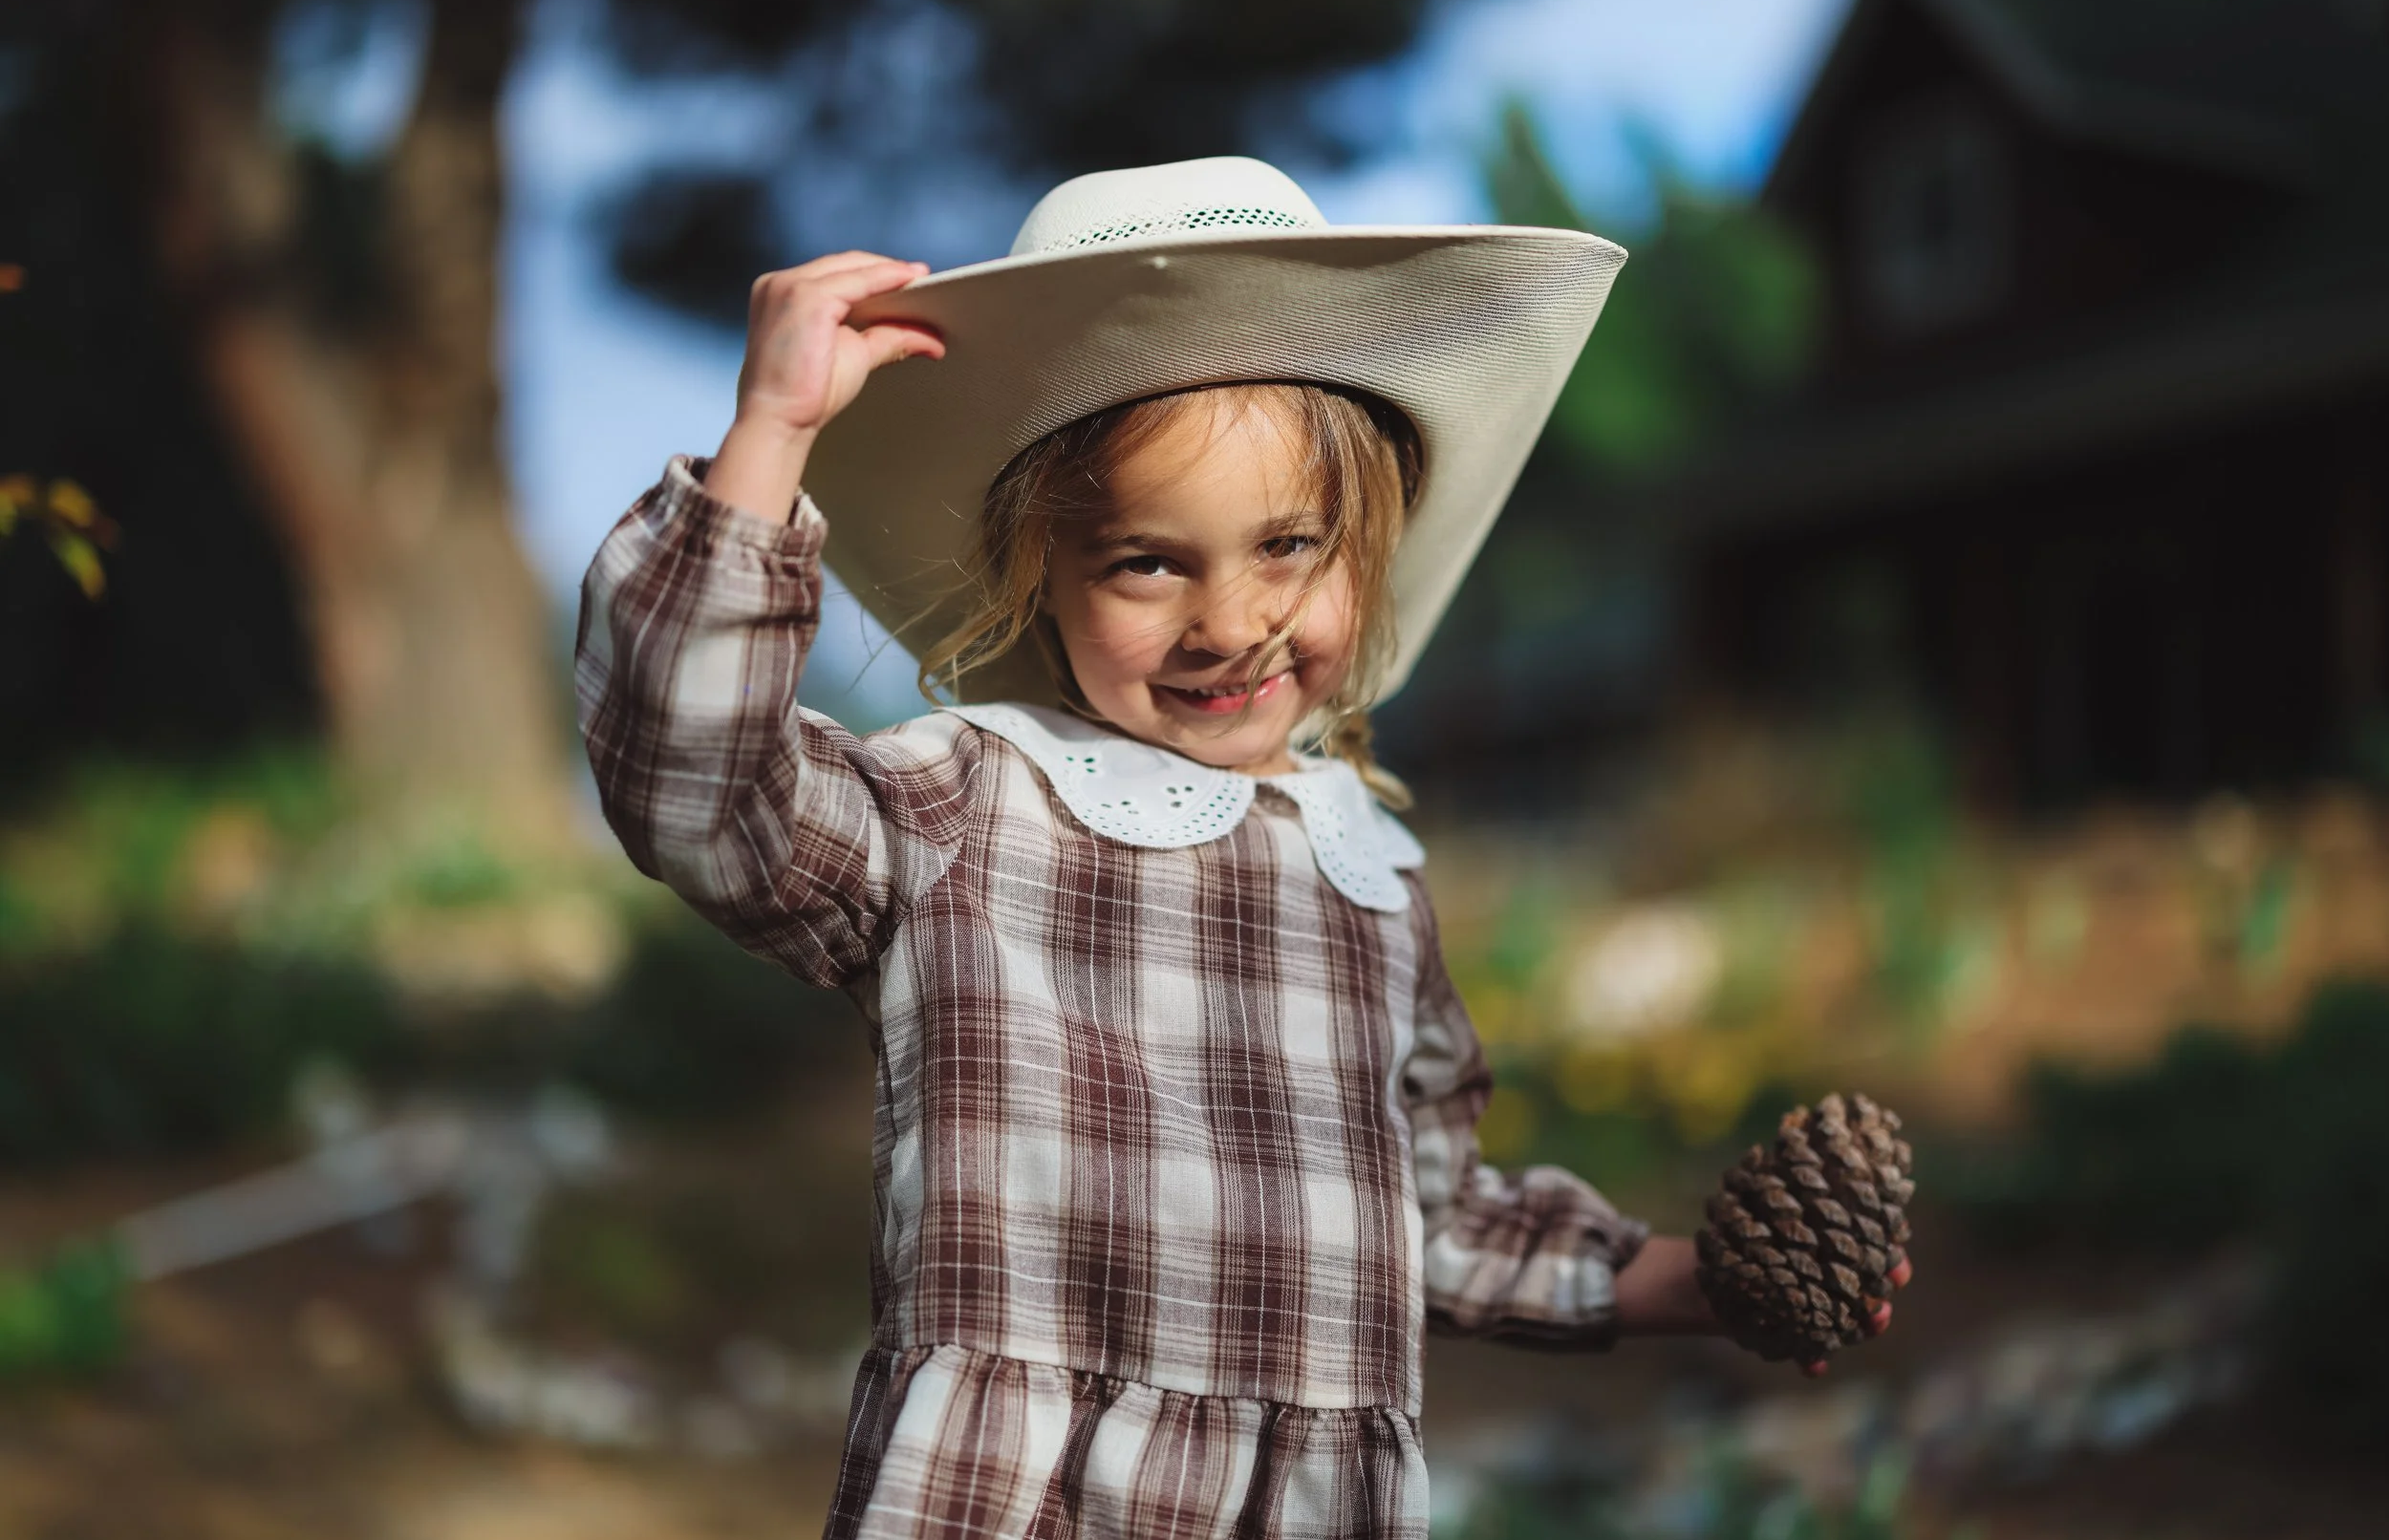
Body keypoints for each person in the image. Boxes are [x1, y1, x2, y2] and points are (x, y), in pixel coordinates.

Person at [576, 158, 1903, 1540]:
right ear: (1043, 571)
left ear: (1369, 542)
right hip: (1019, 1495)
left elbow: (1429, 1215)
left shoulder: (1370, 870)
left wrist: (1689, 1280)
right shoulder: (965, 803)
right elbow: (696, 786)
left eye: (1289, 545)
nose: (1231, 622)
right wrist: (771, 437)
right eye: (1150, 561)